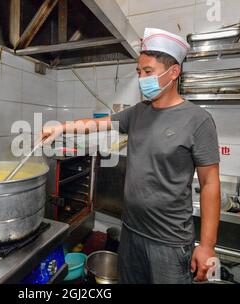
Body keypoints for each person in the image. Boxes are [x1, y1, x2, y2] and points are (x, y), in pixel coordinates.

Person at [42, 28, 221, 284]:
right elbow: (96, 124)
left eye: (148, 72)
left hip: (169, 243)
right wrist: (60, 127)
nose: (141, 79)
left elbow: (210, 183)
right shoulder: (137, 113)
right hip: (131, 233)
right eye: (139, 72)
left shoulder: (198, 120)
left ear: (173, 72)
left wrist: (207, 245)